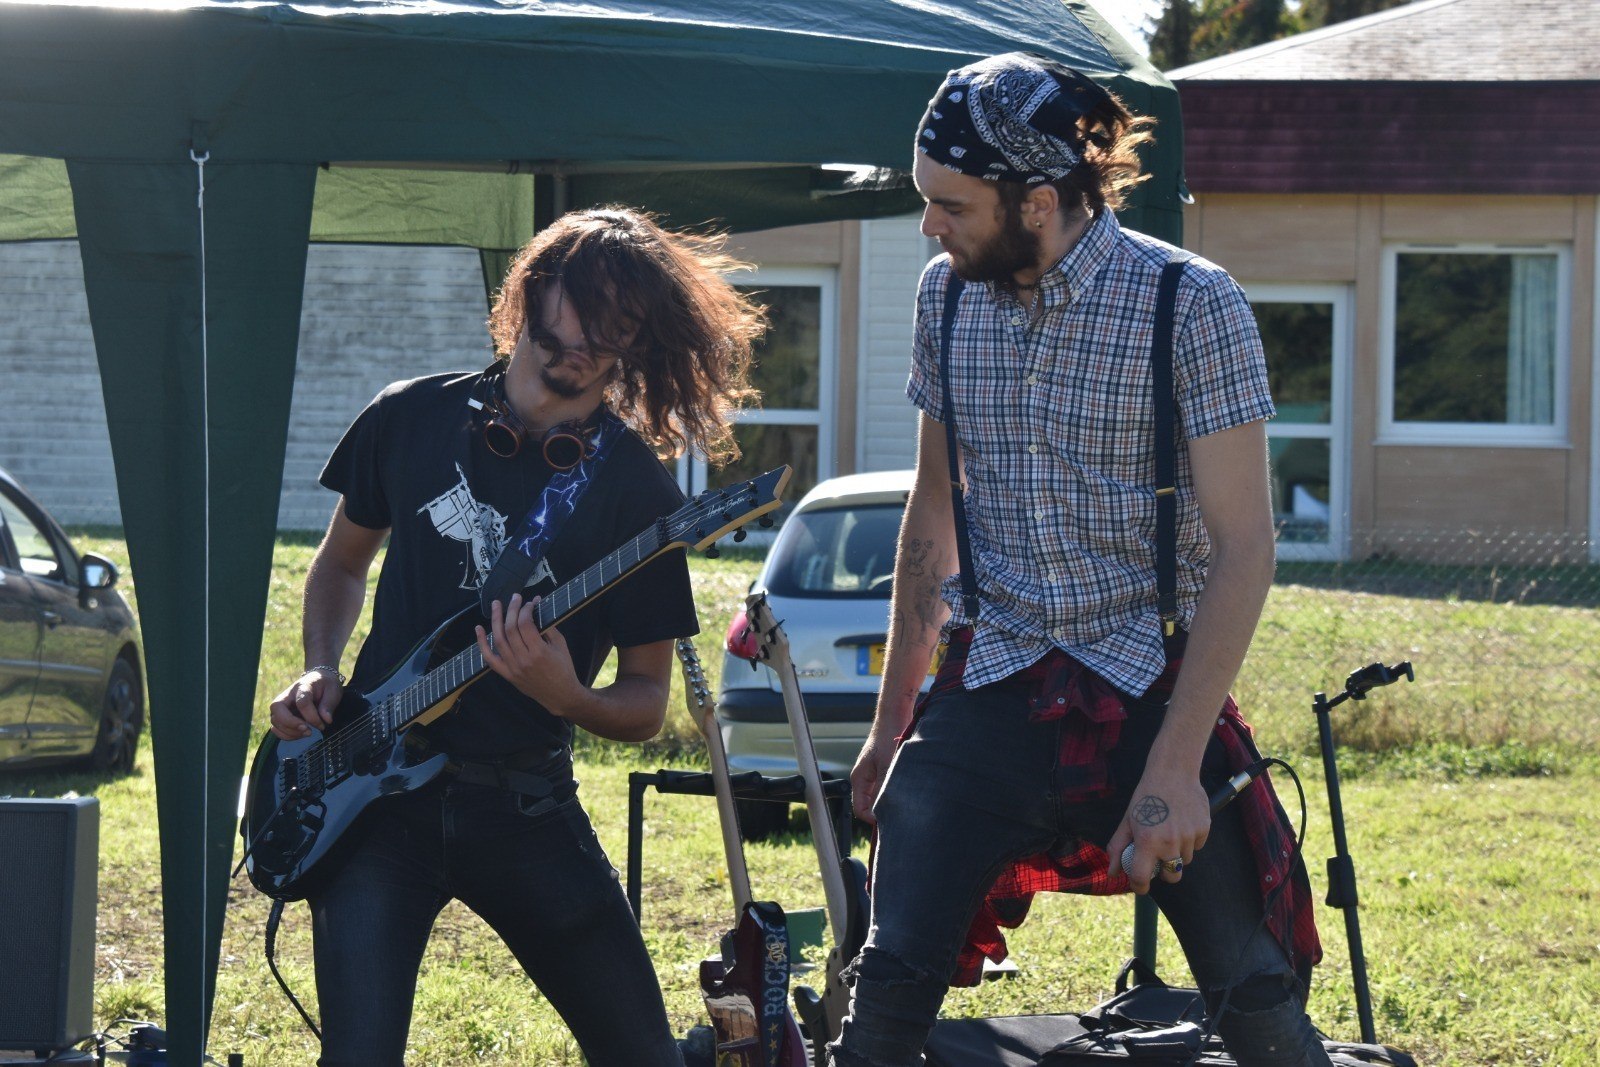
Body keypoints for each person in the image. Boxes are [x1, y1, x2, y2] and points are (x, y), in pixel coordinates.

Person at [831, 53, 1330, 1067]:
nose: (928, 225)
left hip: (1151, 679)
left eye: (950, 205)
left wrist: (1175, 768)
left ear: (1038, 201)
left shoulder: (1189, 302)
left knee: (1259, 1004)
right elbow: (933, 512)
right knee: (881, 994)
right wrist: (891, 728)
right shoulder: (945, 298)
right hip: (993, 676)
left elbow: (1245, 548)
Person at [267, 206, 763, 1067]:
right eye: (584, 308)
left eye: (621, 324)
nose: (593, 339)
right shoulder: (409, 417)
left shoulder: (638, 494)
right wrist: (318, 666)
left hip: (525, 806)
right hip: (373, 802)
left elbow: (646, 700)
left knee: (642, 1055)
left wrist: (566, 695)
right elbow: (341, 564)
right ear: (536, 289)